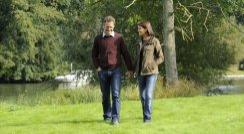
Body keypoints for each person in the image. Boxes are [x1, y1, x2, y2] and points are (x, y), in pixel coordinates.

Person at [92, 16, 133, 125]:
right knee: (105, 95)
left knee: (115, 94)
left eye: (110, 27)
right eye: (106, 27)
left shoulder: (119, 38)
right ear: (103, 25)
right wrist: (98, 67)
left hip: (116, 71)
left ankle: (115, 118)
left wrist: (130, 68)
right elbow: (94, 55)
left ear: (114, 26)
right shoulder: (98, 39)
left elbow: (125, 53)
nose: (108, 29)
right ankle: (107, 116)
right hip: (103, 71)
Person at [134, 21, 164, 123]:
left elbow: (161, 57)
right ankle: (145, 116)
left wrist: (153, 64)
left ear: (146, 29)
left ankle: (147, 118)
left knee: (148, 95)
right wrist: (134, 70)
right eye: (138, 28)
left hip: (151, 73)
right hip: (140, 73)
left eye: (140, 28)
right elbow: (138, 59)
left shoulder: (154, 41)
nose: (138, 30)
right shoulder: (139, 42)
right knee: (142, 96)